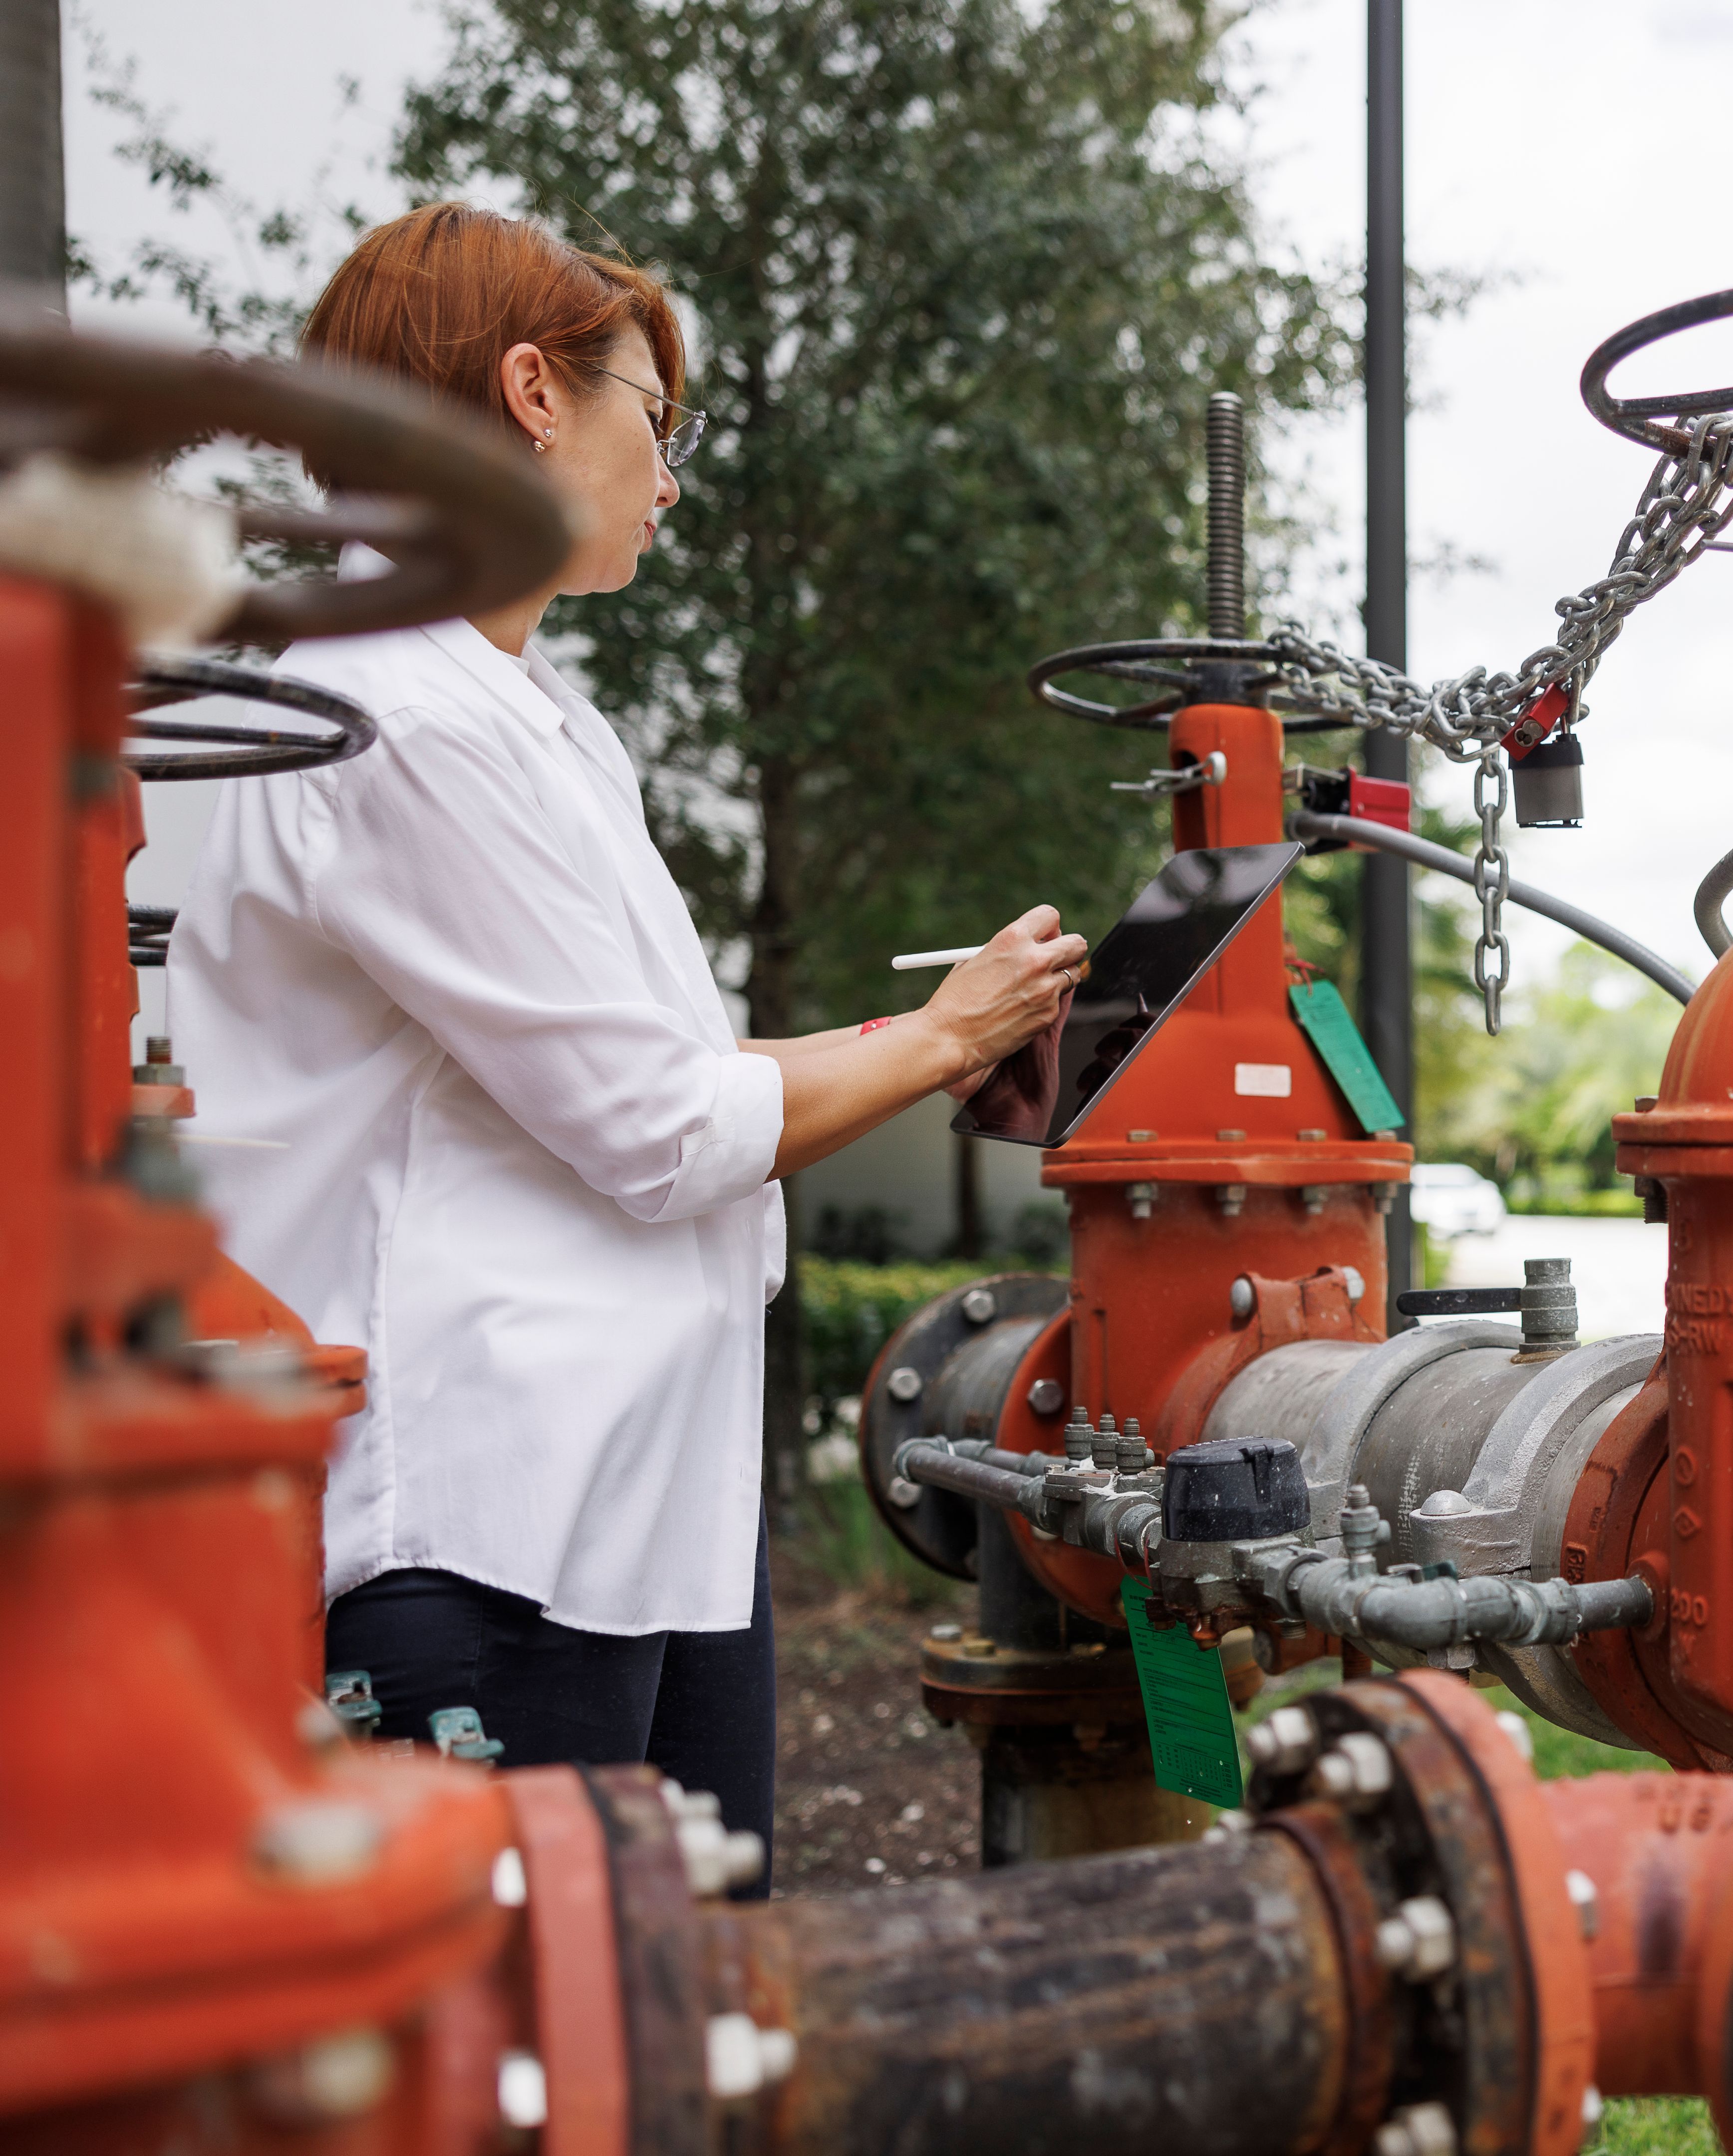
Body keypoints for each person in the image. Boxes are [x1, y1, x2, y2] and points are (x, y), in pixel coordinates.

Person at [170, 204, 1075, 1889]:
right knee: (545, 2065)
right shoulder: (394, 703)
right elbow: (660, 1123)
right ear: (531, 392)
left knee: (682, 2033)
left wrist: (942, 1034)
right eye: (652, 421)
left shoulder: (534, 719)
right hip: (488, 1527)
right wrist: (941, 1037)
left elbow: (661, 1061)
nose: (669, 478)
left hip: (628, 1511)